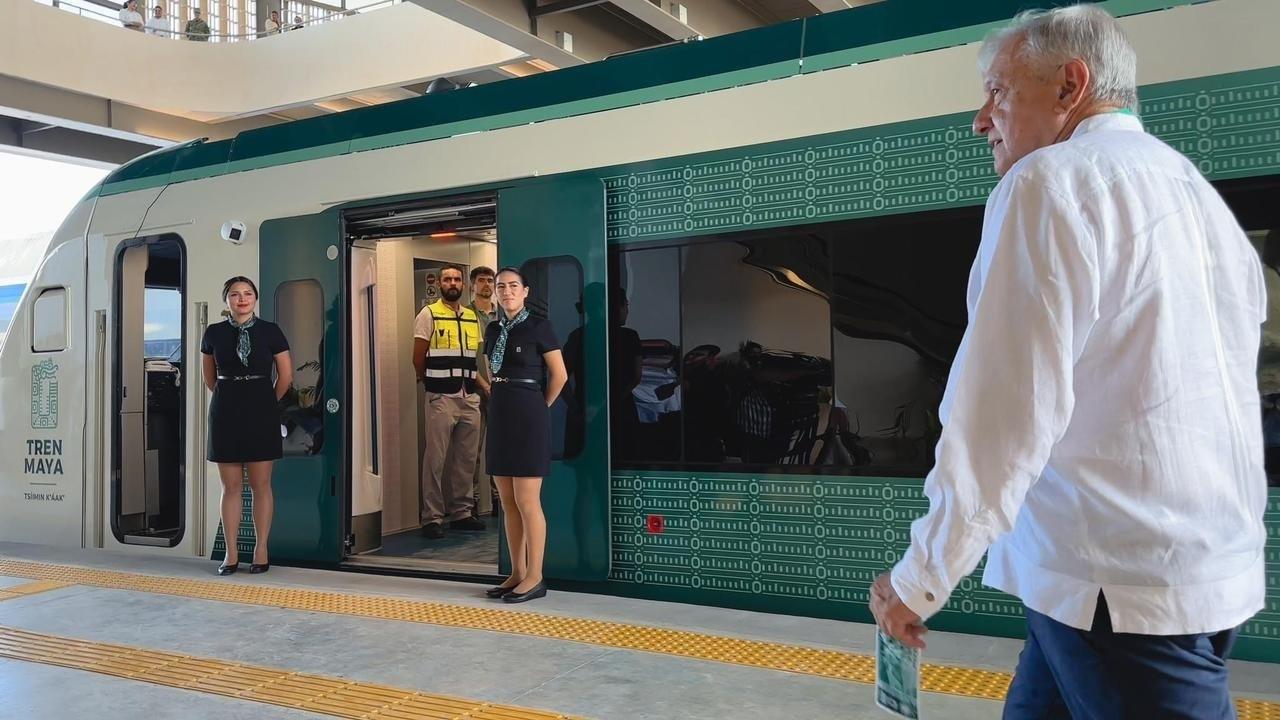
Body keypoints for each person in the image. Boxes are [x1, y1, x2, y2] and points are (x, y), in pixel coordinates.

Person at [869, 7, 1267, 720]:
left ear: (1070, 85)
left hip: (1118, 591)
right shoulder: (1196, 197)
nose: (980, 118)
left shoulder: (1049, 184)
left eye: (998, 90)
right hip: (1185, 573)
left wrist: (921, 574)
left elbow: (1002, 414)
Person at [482, 267, 567, 603]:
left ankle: (535, 576)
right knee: (507, 501)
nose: (506, 292)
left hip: (529, 411)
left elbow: (559, 375)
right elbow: (491, 371)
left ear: (526, 291)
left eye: (513, 286)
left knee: (528, 501)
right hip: (500, 412)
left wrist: (540, 407)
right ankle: (516, 572)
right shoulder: (492, 328)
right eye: (500, 287)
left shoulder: (539, 326)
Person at [201, 277, 292, 576]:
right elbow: (210, 379)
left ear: (256, 298)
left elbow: (286, 377)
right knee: (231, 487)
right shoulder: (213, 333)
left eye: (248, 294)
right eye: (235, 294)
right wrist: (232, 397)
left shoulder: (271, 331)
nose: (242, 299)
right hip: (225, 412)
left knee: (261, 485)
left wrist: (266, 402)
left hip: (261, 411)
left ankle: (261, 549)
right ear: (226, 300)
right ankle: (231, 553)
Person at [412, 265, 487, 539]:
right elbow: (417, 357)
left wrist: (483, 387)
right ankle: (431, 518)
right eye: (447, 279)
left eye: (457, 279)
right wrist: (429, 383)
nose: (452, 283)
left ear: (464, 284)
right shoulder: (428, 314)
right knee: (435, 458)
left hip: (469, 396)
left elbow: (473, 360)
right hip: (441, 396)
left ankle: (462, 513)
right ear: (440, 285)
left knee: (467, 459)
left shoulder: (470, 317)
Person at [468, 266, 497, 516]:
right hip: (474, 389)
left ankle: (499, 501)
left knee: (499, 448)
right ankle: (472, 503)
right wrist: (484, 384)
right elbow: (465, 356)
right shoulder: (466, 314)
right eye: (481, 280)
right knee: (472, 451)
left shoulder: (502, 315)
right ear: (472, 285)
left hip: (501, 390)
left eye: (490, 280)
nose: (486, 284)